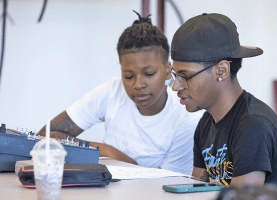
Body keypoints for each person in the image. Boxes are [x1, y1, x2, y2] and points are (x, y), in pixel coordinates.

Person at [37, 11, 199, 175]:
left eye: (149, 74)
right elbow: (43, 136)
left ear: (167, 70)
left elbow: (167, 185)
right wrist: (108, 152)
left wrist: (126, 163)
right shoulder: (112, 92)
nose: (138, 85)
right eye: (128, 76)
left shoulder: (185, 120)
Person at [170, 13, 277, 186]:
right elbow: (194, 190)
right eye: (175, 75)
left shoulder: (253, 125)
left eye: (185, 76)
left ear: (221, 71)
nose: (176, 86)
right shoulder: (206, 123)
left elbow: (242, 198)